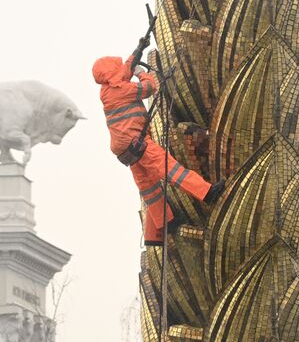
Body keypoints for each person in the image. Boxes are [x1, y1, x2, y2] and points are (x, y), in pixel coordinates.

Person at [92, 48, 222, 246]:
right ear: (113, 74)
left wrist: (136, 53)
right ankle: (207, 192)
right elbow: (149, 87)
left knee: (148, 185)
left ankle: (160, 228)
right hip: (137, 142)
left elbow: (122, 73)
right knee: (170, 168)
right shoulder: (123, 90)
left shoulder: (108, 90)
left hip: (124, 149)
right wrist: (141, 73)